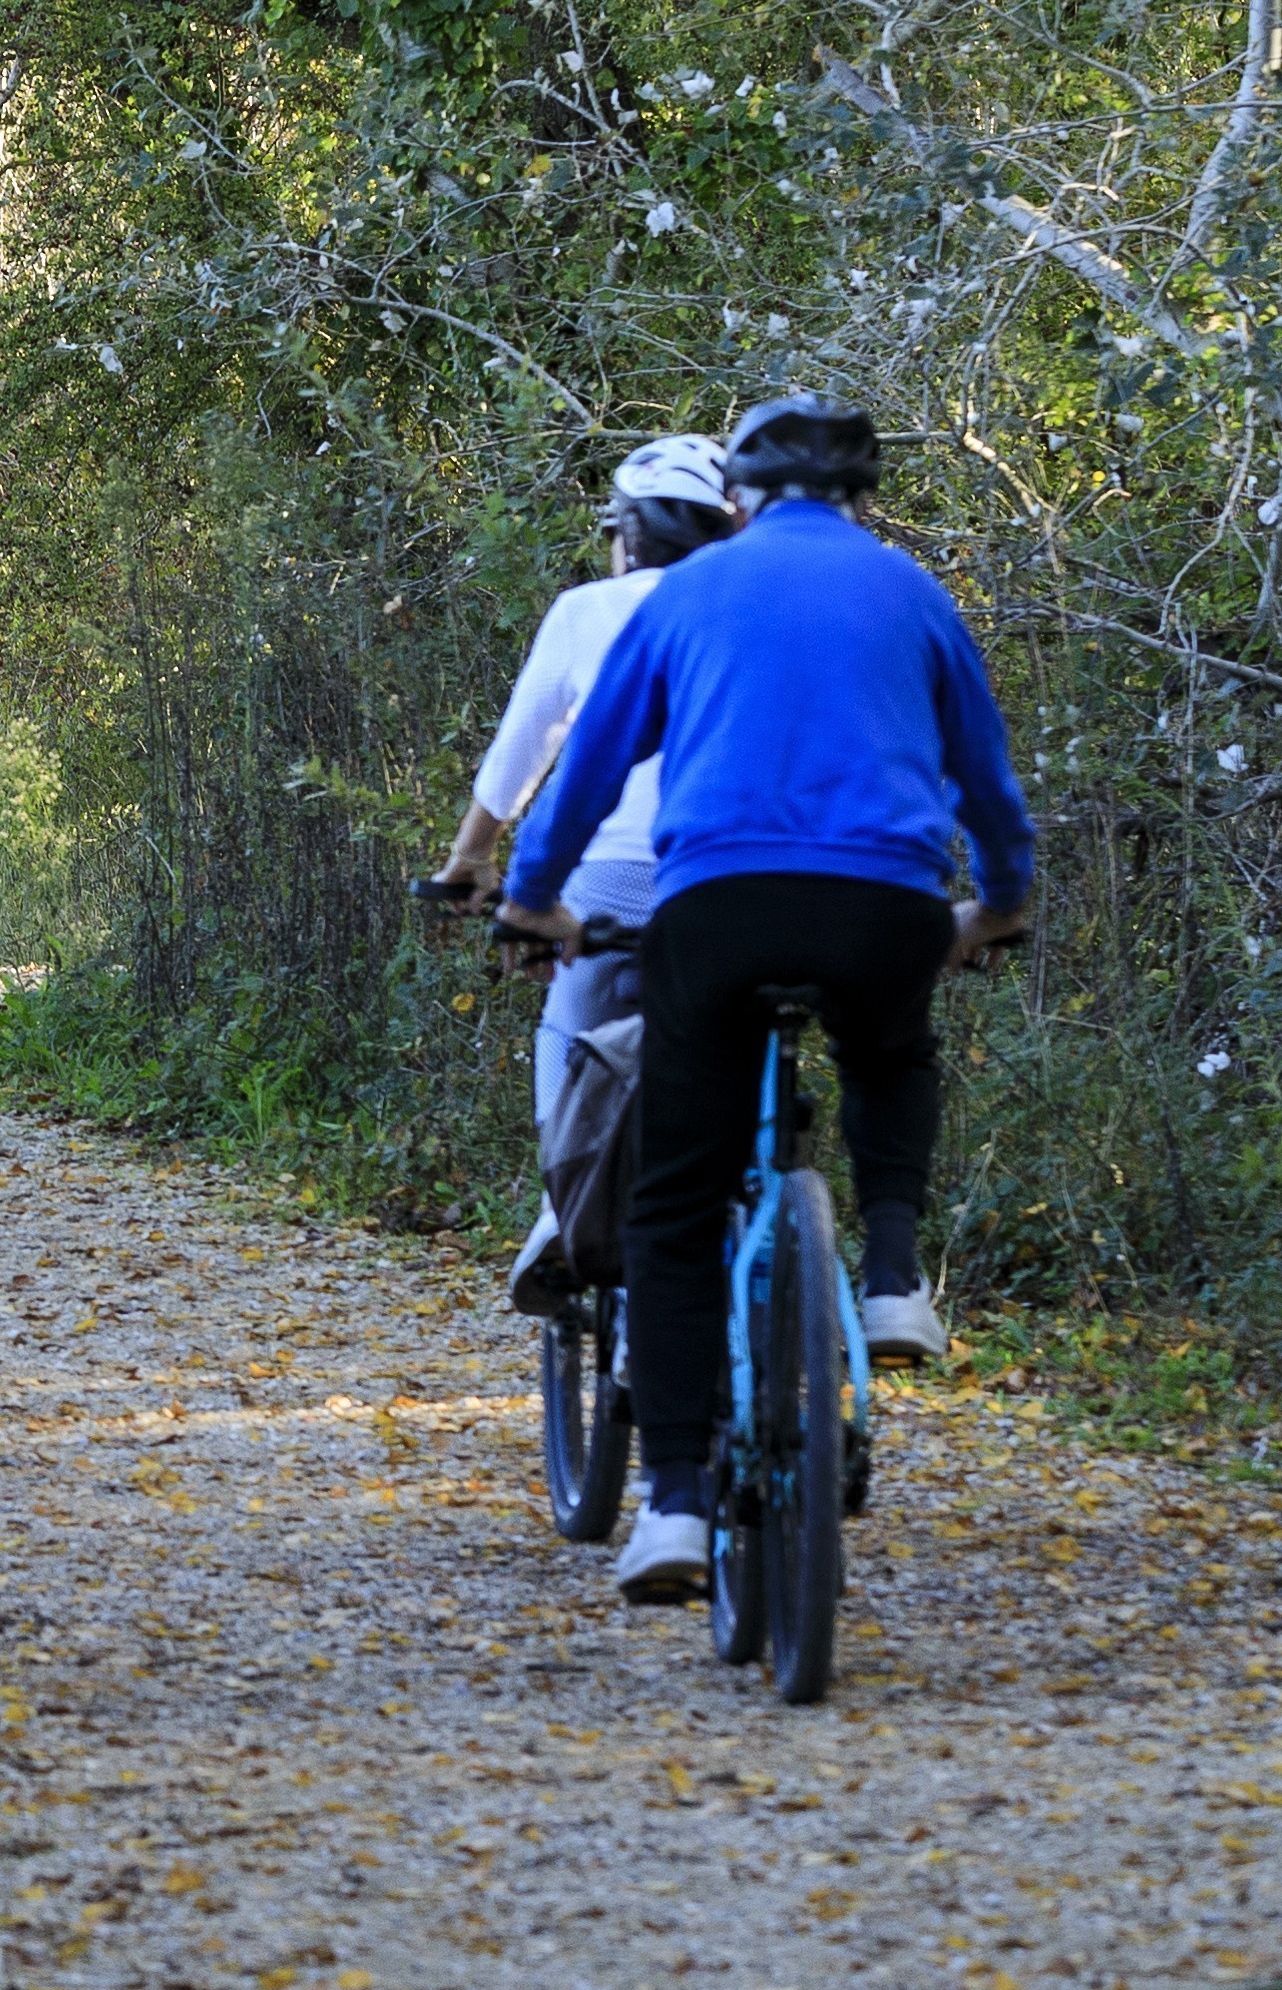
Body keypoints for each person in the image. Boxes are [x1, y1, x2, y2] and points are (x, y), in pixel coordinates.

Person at [499, 397, 1034, 1609]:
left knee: (677, 1201)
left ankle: (678, 1503)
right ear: (864, 494)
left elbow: (589, 769)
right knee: (892, 1051)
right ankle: (892, 1272)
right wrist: (996, 905)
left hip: (719, 906)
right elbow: (988, 784)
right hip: (885, 904)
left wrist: (535, 897)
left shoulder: (688, 593)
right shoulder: (914, 593)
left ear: (739, 497)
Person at [436, 433, 743, 1309]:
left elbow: (522, 751)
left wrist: (472, 858)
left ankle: (560, 1214)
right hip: (739, 872)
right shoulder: (754, 610)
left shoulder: (591, 609)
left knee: (571, 1036)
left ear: (629, 532)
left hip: (612, 873)